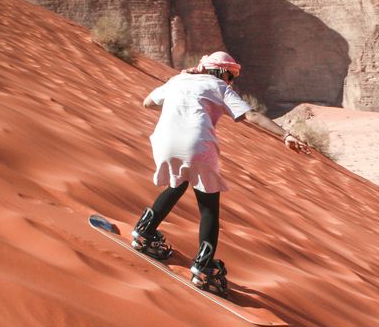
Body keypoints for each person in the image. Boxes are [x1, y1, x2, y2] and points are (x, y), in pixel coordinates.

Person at [131, 51, 309, 295]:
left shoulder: (177, 80)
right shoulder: (219, 87)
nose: (231, 81)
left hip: (163, 143)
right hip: (198, 145)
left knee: (178, 182)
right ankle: (204, 267)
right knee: (208, 206)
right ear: (222, 72)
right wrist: (285, 135)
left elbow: (147, 103)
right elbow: (252, 115)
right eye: (231, 75)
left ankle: (144, 231)